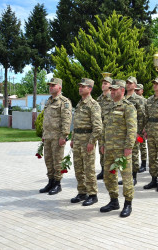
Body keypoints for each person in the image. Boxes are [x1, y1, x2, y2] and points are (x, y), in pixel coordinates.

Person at [99, 79, 137, 217]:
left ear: (122, 90)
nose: (112, 91)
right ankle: (113, 201)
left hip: (122, 149)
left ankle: (128, 204)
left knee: (126, 177)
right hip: (109, 148)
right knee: (108, 176)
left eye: (115, 89)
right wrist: (102, 144)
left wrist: (128, 146)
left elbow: (132, 129)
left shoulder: (128, 107)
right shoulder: (109, 107)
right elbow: (104, 127)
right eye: (111, 89)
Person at [70, 78, 102, 206]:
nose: (80, 88)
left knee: (89, 169)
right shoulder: (79, 104)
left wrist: (92, 142)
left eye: (83, 86)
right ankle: (82, 192)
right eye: (80, 86)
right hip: (77, 140)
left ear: (90, 89)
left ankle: (93, 195)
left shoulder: (93, 105)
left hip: (87, 141)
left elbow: (98, 127)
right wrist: (73, 139)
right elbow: (76, 125)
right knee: (78, 168)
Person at [39, 78, 72, 195]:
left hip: (58, 137)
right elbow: (45, 119)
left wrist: (64, 136)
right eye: (50, 85)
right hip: (48, 136)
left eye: (53, 85)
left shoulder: (64, 102)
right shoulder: (48, 101)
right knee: (48, 160)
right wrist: (44, 134)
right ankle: (50, 182)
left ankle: (57, 184)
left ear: (59, 87)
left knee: (57, 161)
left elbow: (66, 120)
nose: (51, 87)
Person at [117, 76, 145, 186]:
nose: (128, 84)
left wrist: (139, 132)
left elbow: (142, 117)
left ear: (135, 85)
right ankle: (125, 176)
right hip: (122, 131)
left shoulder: (138, 99)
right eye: (127, 83)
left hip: (133, 131)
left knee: (133, 154)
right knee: (123, 155)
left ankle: (134, 177)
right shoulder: (122, 98)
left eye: (130, 83)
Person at [96, 76, 113, 180]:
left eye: (106, 83)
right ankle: (103, 170)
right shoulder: (99, 99)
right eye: (103, 83)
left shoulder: (112, 98)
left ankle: (110, 170)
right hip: (101, 127)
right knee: (101, 149)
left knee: (109, 150)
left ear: (110, 86)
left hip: (109, 128)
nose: (103, 85)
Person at [135, 84, 148, 173]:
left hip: (141, 127)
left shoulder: (144, 101)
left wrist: (144, 127)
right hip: (134, 126)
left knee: (142, 146)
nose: (136, 91)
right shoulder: (132, 100)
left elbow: (145, 115)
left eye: (138, 90)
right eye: (135, 90)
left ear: (142, 91)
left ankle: (143, 164)